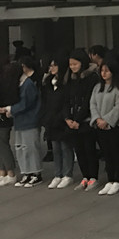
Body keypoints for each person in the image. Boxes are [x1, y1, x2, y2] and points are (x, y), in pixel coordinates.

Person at [64, 49, 100, 191]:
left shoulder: (92, 77)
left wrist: (78, 119)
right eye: (70, 64)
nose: (72, 67)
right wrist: (67, 118)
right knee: (79, 150)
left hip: (86, 119)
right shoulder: (71, 78)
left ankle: (93, 177)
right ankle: (85, 176)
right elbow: (66, 99)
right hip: (73, 120)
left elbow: (88, 101)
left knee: (89, 149)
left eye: (75, 64)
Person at [1, 62, 42, 187]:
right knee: (21, 148)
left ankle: (36, 173)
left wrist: (9, 109)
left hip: (30, 121)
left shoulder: (28, 84)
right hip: (19, 121)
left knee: (31, 148)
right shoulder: (19, 84)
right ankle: (26, 173)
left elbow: (26, 104)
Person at [90, 56, 119, 195]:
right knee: (106, 154)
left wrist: (107, 120)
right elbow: (92, 104)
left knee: (116, 152)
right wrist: (97, 119)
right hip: (100, 126)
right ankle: (110, 180)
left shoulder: (118, 88)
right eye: (102, 70)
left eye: (107, 70)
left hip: (114, 126)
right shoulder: (97, 87)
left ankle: (117, 180)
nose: (104, 73)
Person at [41, 56, 73, 189]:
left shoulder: (66, 83)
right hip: (51, 120)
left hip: (62, 120)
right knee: (56, 149)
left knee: (65, 148)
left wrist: (62, 117)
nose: (52, 68)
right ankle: (57, 174)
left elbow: (66, 103)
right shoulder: (48, 83)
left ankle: (67, 174)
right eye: (50, 65)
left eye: (55, 65)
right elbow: (45, 102)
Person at [0, 62, 19, 186]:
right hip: (4, 116)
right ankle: (3, 172)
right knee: (2, 144)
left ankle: (10, 172)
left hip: (3, 116)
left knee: (3, 144)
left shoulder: (5, 83)